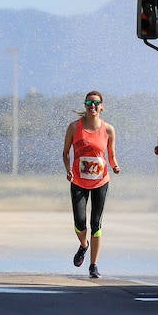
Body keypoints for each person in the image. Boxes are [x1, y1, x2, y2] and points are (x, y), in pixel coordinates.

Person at [62, 90, 120, 278]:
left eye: (96, 103)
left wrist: (115, 166)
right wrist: (68, 169)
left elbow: (111, 154)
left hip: (100, 181)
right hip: (78, 180)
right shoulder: (73, 127)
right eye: (89, 103)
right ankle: (83, 245)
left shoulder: (108, 129)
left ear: (101, 107)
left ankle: (93, 265)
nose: (92, 106)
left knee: (96, 223)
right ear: (85, 106)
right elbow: (65, 152)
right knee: (80, 222)